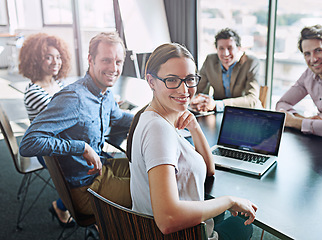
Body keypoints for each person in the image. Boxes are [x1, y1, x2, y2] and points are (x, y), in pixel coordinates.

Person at [128, 43, 257, 240]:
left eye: (189, 79)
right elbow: (167, 219)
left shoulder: (154, 118)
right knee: (242, 225)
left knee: (221, 211)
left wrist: (194, 128)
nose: (184, 90)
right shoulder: (158, 129)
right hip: (183, 235)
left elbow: (208, 170)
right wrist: (229, 200)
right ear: (151, 81)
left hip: (153, 232)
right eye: (171, 80)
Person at [19, 32, 133, 218]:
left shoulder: (104, 91)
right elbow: (28, 143)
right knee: (157, 189)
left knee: (154, 172)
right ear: (91, 59)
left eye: (118, 62)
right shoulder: (73, 98)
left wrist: (151, 117)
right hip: (85, 186)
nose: (113, 68)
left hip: (99, 166)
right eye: (106, 60)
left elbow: (118, 117)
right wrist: (82, 147)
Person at [18, 33, 74, 228]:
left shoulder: (57, 83)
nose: (55, 62)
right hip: (47, 149)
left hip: (62, 139)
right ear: (35, 59)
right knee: (83, 171)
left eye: (58, 57)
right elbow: (67, 117)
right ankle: (61, 206)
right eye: (48, 57)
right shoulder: (34, 92)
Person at [190, 28, 261, 112]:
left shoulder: (251, 63)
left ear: (238, 48)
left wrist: (217, 104)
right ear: (216, 49)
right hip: (218, 115)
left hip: (245, 114)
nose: (225, 53)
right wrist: (198, 101)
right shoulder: (210, 60)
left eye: (230, 48)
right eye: (221, 48)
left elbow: (252, 100)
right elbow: (197, 90)